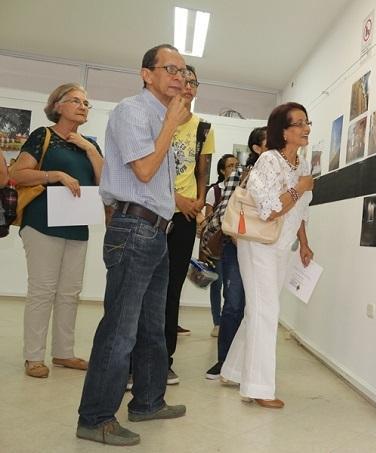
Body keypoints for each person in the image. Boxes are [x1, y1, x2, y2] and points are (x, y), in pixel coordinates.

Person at [76, 44, 190, 446]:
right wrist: (171, 124)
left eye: (183, 71)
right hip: (134, 229)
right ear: (146, 74)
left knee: (151, 327)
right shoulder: (132, 112)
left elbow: (158, 184)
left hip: (157, 231)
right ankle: (94, 418)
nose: (179, 76)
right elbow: (143, 170)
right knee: (120, 329)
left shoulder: (162, 119)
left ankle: (147, 401)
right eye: (170, 69)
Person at [219, 103, 314, 408]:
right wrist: (299, 189)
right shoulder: (268, 161)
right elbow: (269, 209)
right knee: (266, 312)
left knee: (260, 310)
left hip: (283, 246)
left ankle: (233, 370)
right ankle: (257, 387)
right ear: (282, 131)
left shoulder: (302, 166)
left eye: (306, 122)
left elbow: (299, 213)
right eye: (298, 124)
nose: (306, 128)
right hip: (259, 244)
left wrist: (304, 243)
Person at [10, 83, 103, 379]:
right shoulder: (43, 135)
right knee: (42, 290)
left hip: (77, 225)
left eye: (86, 103)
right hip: (42, 223)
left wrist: (88, 148)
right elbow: (17, 174)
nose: (82, 106)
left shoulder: (90, 144)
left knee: (70, 292)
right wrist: (56, 175)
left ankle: (63, 352)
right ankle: (33, 357)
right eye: (75, 101)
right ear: (57, 106)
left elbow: (105, 181)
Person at [163, 64, 214, 383]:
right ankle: (130, 362)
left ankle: (163, 358)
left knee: (171, 288)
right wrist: (173, 198)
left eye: (194, 82)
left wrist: (199, 205)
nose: (189, 86)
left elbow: (202, 172)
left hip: (184, 217)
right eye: (183, 80)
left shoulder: (203, 129)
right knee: (143, 288)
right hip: (154, 211)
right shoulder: (157, 119)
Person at [204, 127, 266, 378]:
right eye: (268, 142)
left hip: (265, 249)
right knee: (234, 304)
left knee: (258, 308)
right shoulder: (240, 174)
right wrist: (236, 238)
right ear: (256, 148)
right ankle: (225, 361)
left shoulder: (279, 176)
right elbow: (223, 213)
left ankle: (249, 365)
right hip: (237, 247)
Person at [204, 153, 239, 337]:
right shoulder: (214, 191)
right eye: (230, 166)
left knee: (231, 285)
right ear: (221, 170)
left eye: (236, 165)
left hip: (235, 242)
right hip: (219, 242)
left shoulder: (241, 187)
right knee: (216, 283)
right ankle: (217, 322)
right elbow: (209, 217)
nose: (234, 168)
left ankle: (228, 322)